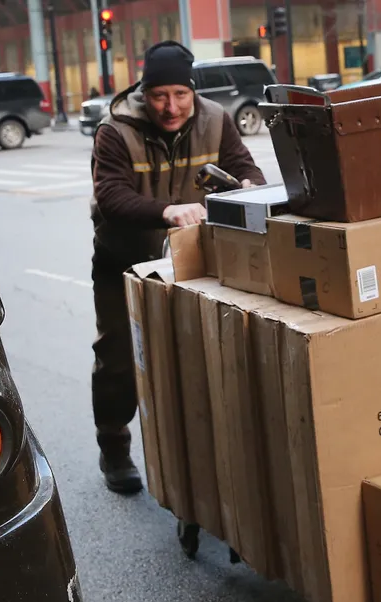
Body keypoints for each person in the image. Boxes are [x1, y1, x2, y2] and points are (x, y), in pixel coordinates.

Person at [89, 40, 266, 494]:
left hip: (190, 262)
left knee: (194, 357)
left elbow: (248, 169)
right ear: (144, 93)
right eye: (159, 96)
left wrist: (247, 187)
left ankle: (197, 455)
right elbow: (110, 196)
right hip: (124, 261)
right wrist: (167, 211)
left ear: (193, 90)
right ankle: (114, 449)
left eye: (180, 95)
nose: (171, 107)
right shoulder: (116, 130)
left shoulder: (216, 120)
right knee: (120, 361)